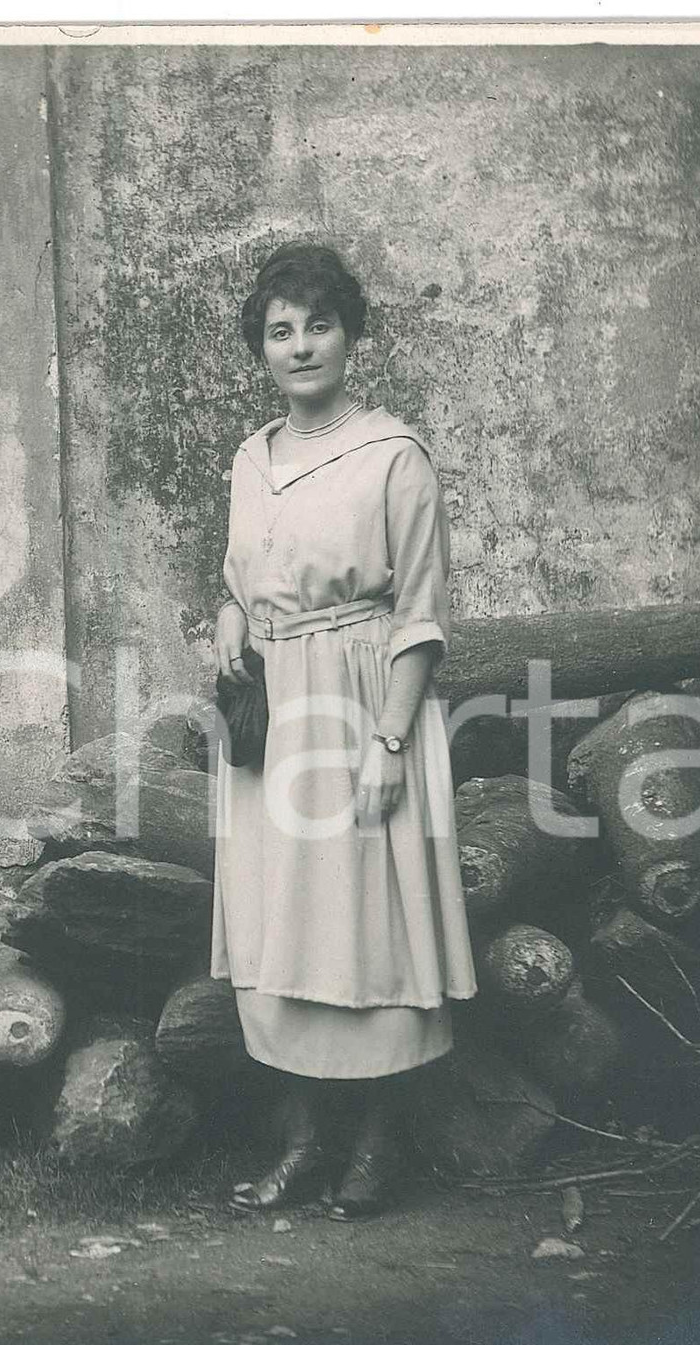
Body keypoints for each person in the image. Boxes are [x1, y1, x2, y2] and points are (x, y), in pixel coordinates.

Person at [210, 242, 477, 1220]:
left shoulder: (391, 458)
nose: (300, 346)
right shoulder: (251, 460)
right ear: (261, 351)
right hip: (275, 719)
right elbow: (240, 578)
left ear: (351, 337)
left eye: (318, 324)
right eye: (280, 331)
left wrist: (391, 744)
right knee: (279, 928)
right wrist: (234, 618)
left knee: (366, 932)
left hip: (362, 706)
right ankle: (303, 1143)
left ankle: (376, 1146)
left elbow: (421, 615)